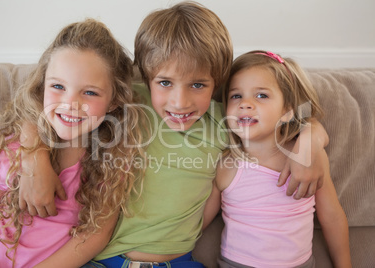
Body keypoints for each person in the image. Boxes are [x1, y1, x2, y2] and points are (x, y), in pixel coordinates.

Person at [18, 2, 330, 267]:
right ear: (147, 76)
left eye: (197, 85)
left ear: (217, 83)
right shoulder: (126, 104)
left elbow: (297, 117)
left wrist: (311, 139)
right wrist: (33, 162)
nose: (180, 103)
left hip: (179, 261)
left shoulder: (226, 119)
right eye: (165, 83)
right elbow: (36, 110)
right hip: (106, 259)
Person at [0, 19, 147, 268]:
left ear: (114, 101)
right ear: (41, 86)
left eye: (90, 92)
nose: (69, 103)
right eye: (57, 86)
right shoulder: (14, 150)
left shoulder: (111, 159)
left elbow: (95, 236)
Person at [214, 50, 351, 268]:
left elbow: (332, 217)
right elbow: (196, 223)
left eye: (261, 95)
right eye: (236, 95)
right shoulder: (226, 164)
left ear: (287, 111)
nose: (245, 103)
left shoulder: (311, 158)